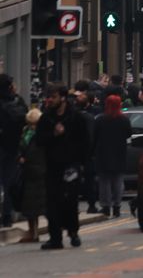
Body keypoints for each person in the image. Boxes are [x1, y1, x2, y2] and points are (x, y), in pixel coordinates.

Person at [34, 83, 89, 250]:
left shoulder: (76, 117)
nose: (50, 100)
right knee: (52, 202)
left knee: (70, 201)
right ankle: (55, 238)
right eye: (49, 97)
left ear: (63, 98)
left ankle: (73, 232)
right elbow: (39, 140)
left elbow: (85, 142)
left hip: (71, 165)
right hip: (52, 166)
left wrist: (81, 163)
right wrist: (54, 134)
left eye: (54, 97)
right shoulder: (46, 118)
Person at [92, 94, 131, 218]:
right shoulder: (124, 119)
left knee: (104, 182)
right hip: (119, 153)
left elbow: (94, 137)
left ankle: (106, 206)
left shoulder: (100, 120)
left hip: (103, 153)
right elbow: (128, 134)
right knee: (118, 181)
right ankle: (117, 206)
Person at [0, 73, 28, 228]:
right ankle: (7, 216)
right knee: (8, 182)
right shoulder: (18, 102)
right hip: (12, 147)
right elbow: (26, 119)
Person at [17, 108, 45, 242]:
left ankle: (34, 232)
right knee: (30, 205)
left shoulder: (41, 135)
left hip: (37, 171)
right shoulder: (25, 133)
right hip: (29, 172)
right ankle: (33, 232)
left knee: (35, 205)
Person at [70, 85, 99, 214]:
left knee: (77, 180)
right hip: (85, 154)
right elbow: (92, 137)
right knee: (87, 181)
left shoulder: (74, 116)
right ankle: (90, 205)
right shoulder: (88, 118)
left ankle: (80, 205)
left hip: (79, 153)